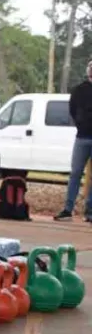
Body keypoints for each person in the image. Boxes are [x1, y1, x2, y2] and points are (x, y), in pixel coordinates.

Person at [55, 59, 92, 221]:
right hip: (82, 136)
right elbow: (72, 108)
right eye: (90, 66)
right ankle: (68, 209)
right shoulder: (79, 90)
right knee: (75, 172)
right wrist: (80, 123)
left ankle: (89, 211)